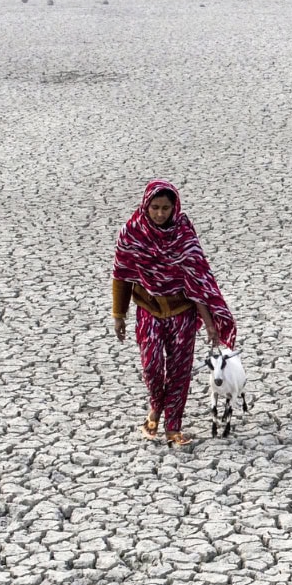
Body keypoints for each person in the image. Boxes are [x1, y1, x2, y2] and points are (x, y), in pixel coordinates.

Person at [111, 180, 237, 447]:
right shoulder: (132, 233)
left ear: (174, 207)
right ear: (146, 206)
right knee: (152, 366)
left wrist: (210, 323)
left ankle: (173, 427)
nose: (160, 214)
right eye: (155, 207)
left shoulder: (183, 234)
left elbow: (197, 280)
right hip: (149, 309)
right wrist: (118, 314)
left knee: (179, 370)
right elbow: (121, 275)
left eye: (165, 208)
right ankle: (156, 407)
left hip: (181, 312)